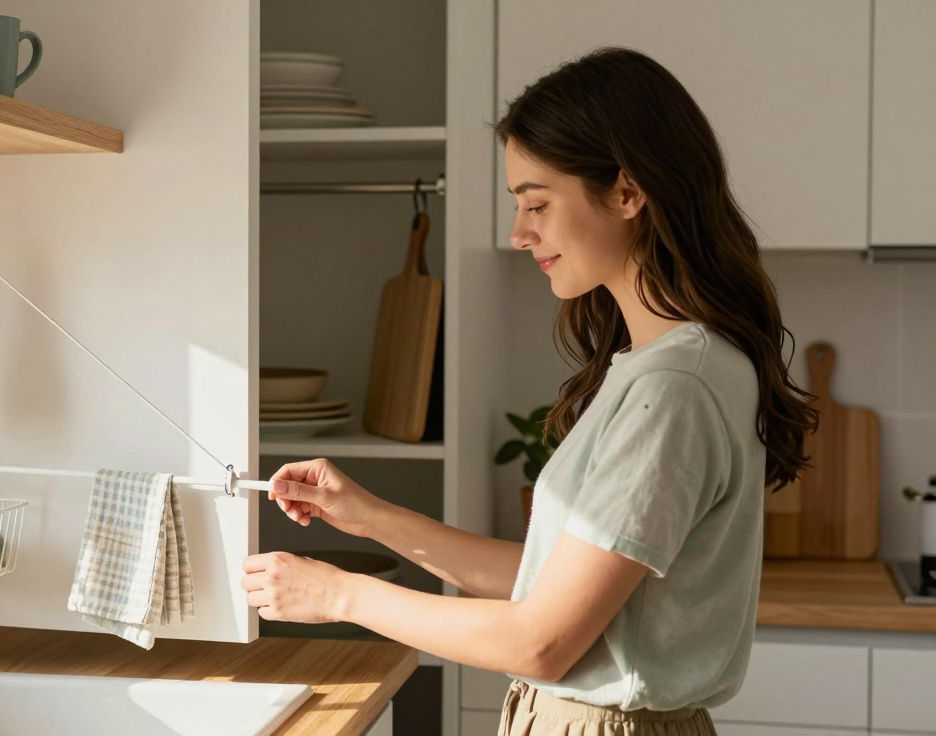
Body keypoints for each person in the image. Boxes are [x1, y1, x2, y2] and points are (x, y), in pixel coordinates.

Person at [240, 46, 818, 736]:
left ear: (629, 193)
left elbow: (539, 641)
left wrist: (335, 594)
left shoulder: (674, 387)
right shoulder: (668, 364)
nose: (520, 234)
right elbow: (553, 585)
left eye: (537, 203)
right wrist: (372, 517)